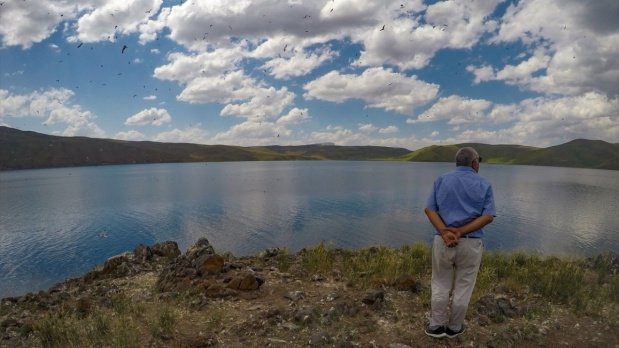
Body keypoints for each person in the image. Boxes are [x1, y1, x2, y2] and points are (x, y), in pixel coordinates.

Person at [423, 147, 496, 339]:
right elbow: (488, 216)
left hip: (443, 242)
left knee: (439, 283)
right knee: (464, 286)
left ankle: (436, 326)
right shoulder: (484, 184)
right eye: (478, 161)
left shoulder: (441, 180)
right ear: (474, 163)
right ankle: (455, 327)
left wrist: (445, 233)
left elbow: (429, 210)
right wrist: (461, 231)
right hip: (471, 244)